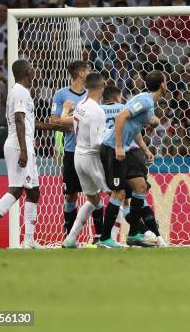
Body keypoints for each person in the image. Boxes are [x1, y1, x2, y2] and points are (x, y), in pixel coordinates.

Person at [0, 60, 41, 249]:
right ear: (27, 71)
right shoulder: (20, 91)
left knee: (34, 191)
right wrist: (24, 150)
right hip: (19, 145)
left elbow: (27, 122)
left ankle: (29, 241)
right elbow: (19, 120)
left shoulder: (19, 91)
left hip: (24, 143)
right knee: (17, 189)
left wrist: (57, 127)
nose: (34, 70)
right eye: (32, 67)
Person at [98, 71, 166, 248]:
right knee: (119, 193)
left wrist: (145, 149)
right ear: (163, 85)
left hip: (124, 150)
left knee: (140, 187)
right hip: (113, 148)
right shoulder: (144, 100)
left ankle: (134, 233)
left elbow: (134, 125)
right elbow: (120, 117)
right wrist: (119, 145)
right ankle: (105, 238)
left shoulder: (148, 103)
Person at [49, 61, 104, 240]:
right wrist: (72, 120)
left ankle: (100, 234)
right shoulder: (61, 94)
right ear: (81, 73)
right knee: (70, 195)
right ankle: (69, 235)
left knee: (95, 193)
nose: (89, 71)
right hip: (72, 150)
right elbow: (54, 121)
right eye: (87, 69)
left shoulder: (92, 94)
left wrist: (72, 119)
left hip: (91, 151)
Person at [62, 73, 108, 248]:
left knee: (93, 199)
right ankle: (108, 238)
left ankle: (71, 238)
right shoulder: (97, 110)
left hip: (78, 156)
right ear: (103, 85)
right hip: (91, 158)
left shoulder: (81, 104)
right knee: (116, 194)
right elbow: (97, 143)